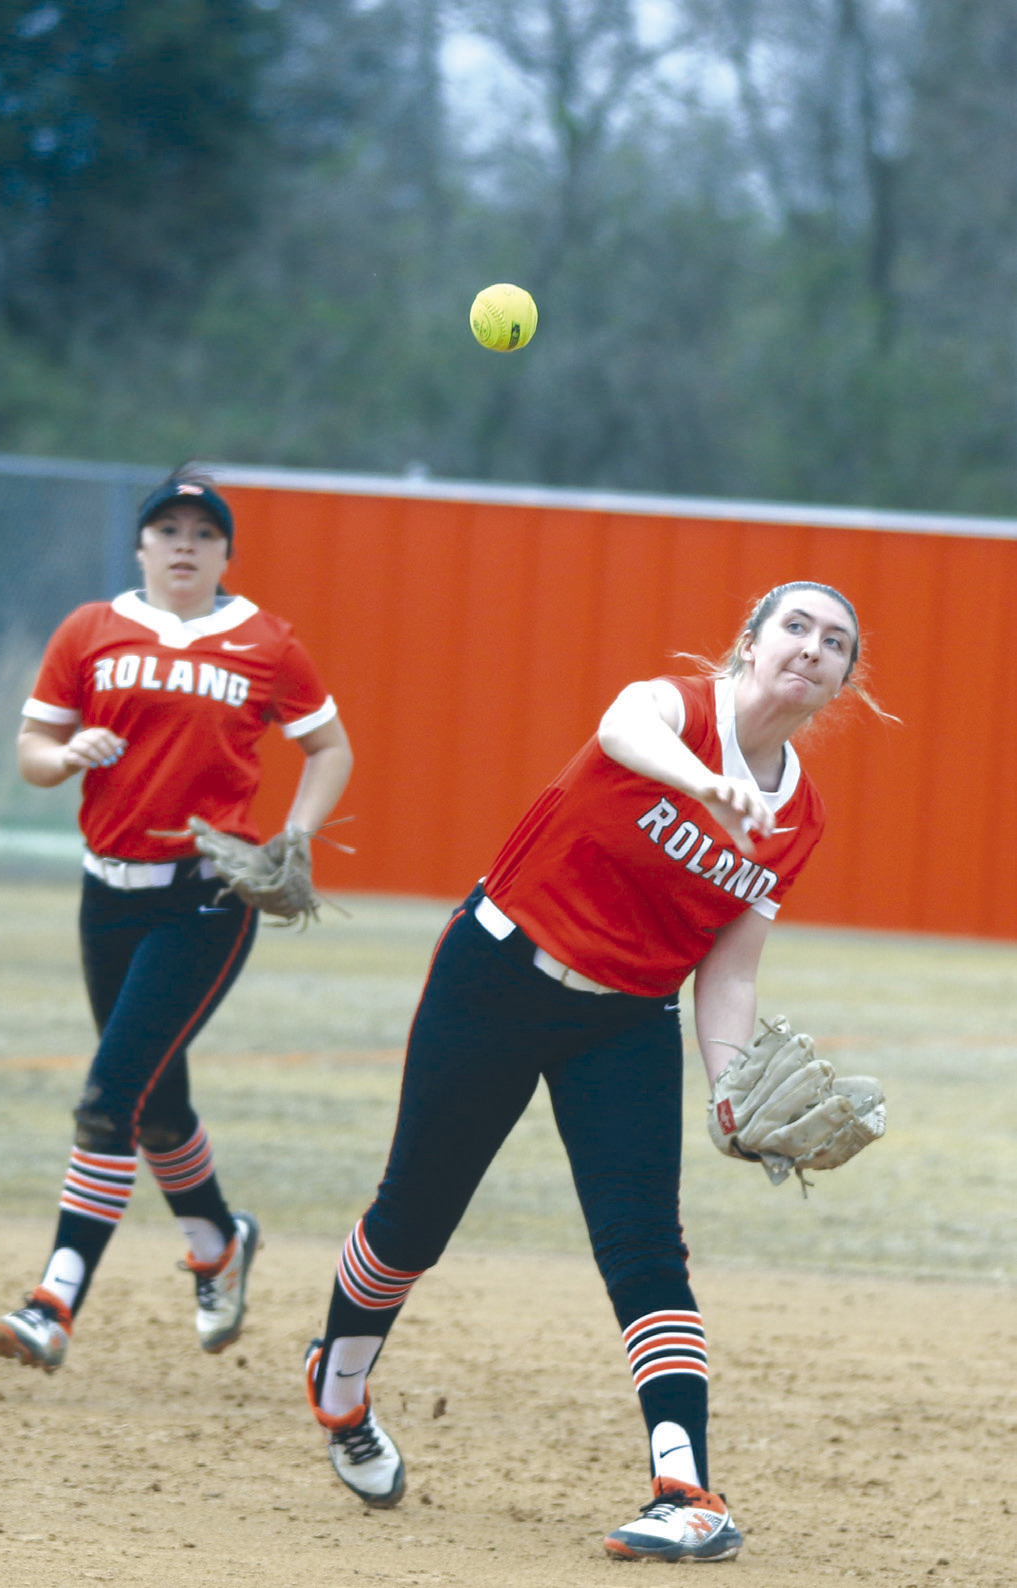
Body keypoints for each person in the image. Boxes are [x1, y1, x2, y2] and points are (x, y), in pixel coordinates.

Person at [302, 580, 883, 1560]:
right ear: (746, 642)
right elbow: (620, 728)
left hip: (627, 1017)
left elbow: (729, 965)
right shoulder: (670, 710)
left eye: (834, 642)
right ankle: (340, 1386)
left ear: (837, 684)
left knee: (646, 1244)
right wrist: (701, 783)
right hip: (496, 972)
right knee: (413, 1217)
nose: (812, 646)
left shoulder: (800, 817)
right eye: (794, 625)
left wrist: (729, 1085)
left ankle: (684, 1489)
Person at [0, 470, 353, 1375]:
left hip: (205, 895)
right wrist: (63, 751)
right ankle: (218, 1243)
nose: (184, 543)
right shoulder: (91, 629)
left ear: (226, 552)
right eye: (167, 528)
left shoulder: (264, 641)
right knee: (156, 1102)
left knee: (110, 1096)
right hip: (105, 894)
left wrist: (295, 836)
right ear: (142, 545)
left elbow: (329, 746)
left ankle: (54, 1301)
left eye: (203, 531)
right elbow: (33, 754)